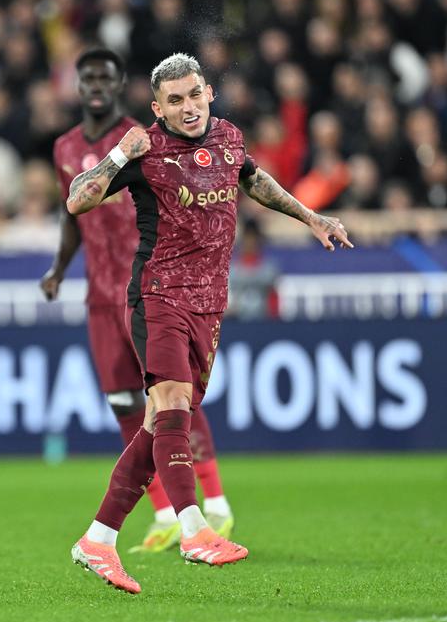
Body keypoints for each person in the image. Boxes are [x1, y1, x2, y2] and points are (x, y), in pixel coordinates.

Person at [66, 53, 352, 593]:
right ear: (158, 109)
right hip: (158, 296)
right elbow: (77, 201)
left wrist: (310, 217)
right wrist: (117, 153)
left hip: (209, 304)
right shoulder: (146, 149)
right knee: (172, 401)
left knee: (161, 425)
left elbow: (255, 181)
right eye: (175, 100)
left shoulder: (228, 138)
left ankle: (98, 539)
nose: (188, 106)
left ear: (209, 93)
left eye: (195, 94)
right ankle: (194, 527)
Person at [41, 48, 236, 552]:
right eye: (88, 78)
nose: (96, 86)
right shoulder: (65, 147)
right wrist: (60, 268)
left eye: (105, 78)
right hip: (100, 293)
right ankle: (166, 514)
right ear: (78, 86)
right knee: (127, 401)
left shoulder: (148, 137)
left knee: (172, 395)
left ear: (120, 83)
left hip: (151, 285)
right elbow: (71, 212)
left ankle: (213, 504)